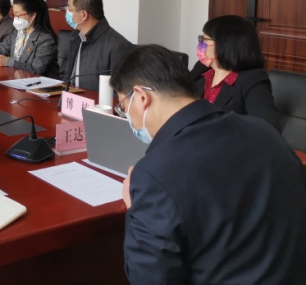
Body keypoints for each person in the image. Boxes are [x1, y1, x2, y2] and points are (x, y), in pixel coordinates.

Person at [112, 44, 306, 284]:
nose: (128, 118)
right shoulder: (266, 133)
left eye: (124, 108)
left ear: (142, 97)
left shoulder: (155, 173)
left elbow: (151, 277)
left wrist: (135, 210)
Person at [190, 15, 280, 130]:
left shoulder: (252, 81)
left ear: (225, 45)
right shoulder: (201, 69)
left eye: (205, 39)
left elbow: (268, 129)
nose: (201, 44)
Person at [63, 0, 133, 91]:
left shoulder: (118, 45)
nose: (67, 12)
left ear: (83, 15)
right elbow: (68, 77)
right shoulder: (76, 37)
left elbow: (121, 93)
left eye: (70, 9)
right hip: (72, 99)